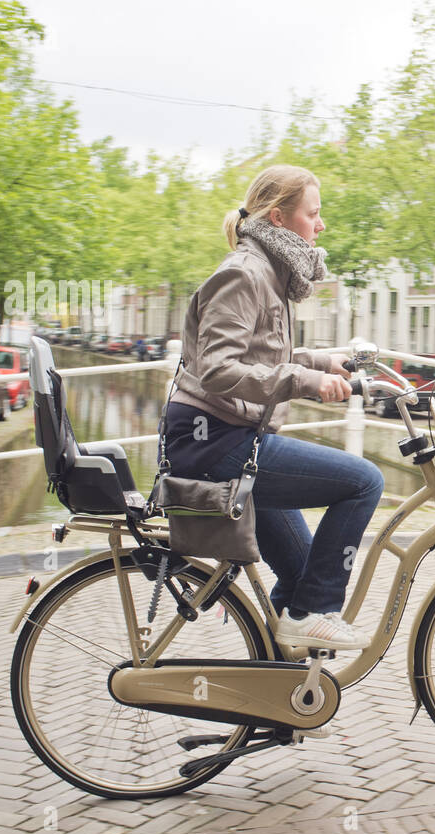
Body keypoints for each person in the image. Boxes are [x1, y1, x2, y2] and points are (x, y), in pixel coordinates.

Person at [162, 164, 383, 651]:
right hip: (212, 442)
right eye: (314, 213)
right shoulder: (245, 274)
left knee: (303, 570)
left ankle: (275, 706)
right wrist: (307, 381)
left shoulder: (270, 274)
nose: (321, 225)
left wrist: (325, 360)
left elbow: (264, 358)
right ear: (279, 219)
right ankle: (315, 613)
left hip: (235, 439)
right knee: (366, 481)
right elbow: (218, 369)